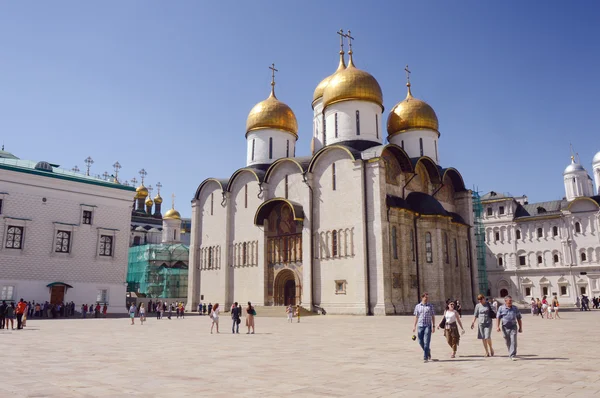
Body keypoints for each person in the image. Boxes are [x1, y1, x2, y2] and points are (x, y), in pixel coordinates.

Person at [496, 295, 522, 361]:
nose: (511, 302)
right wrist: (497, 326)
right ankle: (510, 351)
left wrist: (520, 327)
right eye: (509, 301)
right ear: (505, 301)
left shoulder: (515, 308)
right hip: (505, 327)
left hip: (513, 326)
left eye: (511, 301)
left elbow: (519, 318)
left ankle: (512, 354)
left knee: (513, 340)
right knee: (507, 341)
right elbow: (498, 317)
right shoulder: (501, 308)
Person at [412, 293, 436, 363]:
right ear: (422, 298)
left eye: (427, 298)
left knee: (426, 341)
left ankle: (425, 357)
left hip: (428, 326)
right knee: (420, 341)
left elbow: (433, 316)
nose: (427, 299)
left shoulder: (430, 306)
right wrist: (414, 326)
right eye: (426, 297)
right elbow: (416, 316)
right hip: (420, 325)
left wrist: (433, 326)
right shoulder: (417, 306)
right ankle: (428, 350)